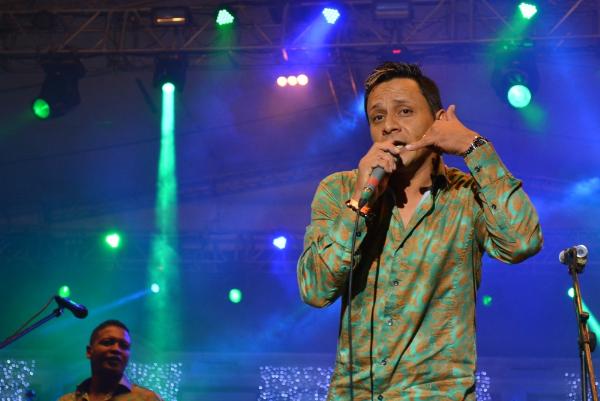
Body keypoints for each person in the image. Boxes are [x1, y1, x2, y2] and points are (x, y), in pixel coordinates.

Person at [297, 62, 542, 400]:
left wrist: (473, 146)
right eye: (377, 117)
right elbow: (316, 289)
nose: (389, 125)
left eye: (405, 111)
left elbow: (522, 242)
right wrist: (360, 202)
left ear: (438, 121)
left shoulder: (466, 196)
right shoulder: (340, 190)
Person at [57, 319, 163, 401]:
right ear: (89, 351)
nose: (116, 349)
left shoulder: (147, 399)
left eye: (124, 346)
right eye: (108, 342)